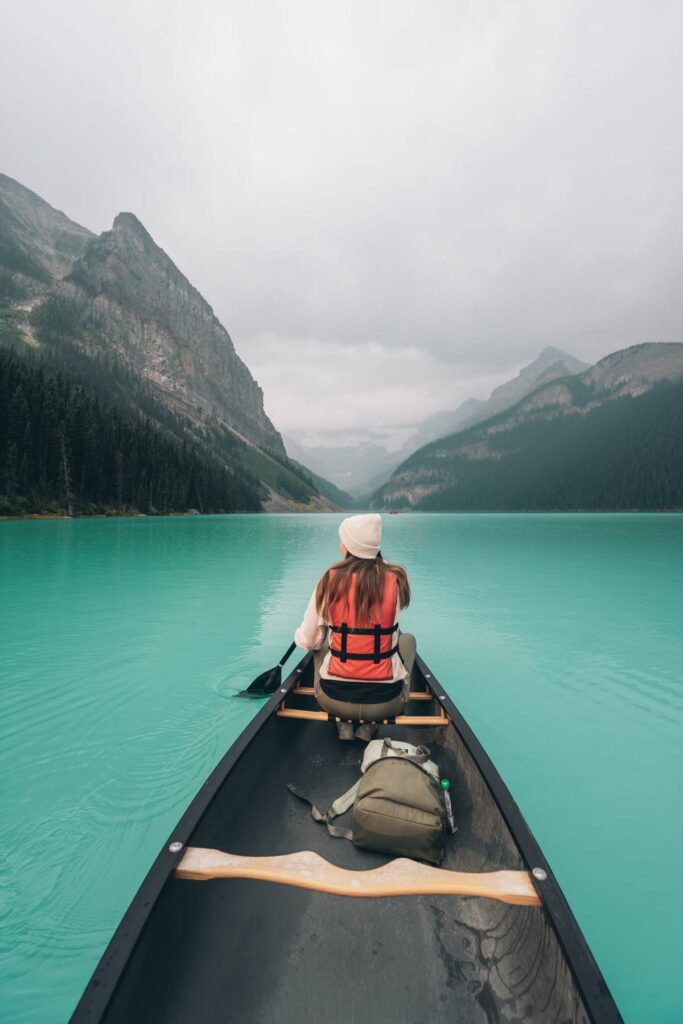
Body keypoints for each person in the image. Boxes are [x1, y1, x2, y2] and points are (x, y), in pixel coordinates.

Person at [294, 513, 416, 740]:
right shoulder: (397, 580)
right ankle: (368, 727)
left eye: (343, 540)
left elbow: (309, 641)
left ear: (350, 546)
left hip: (333, 700)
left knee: (320, 644)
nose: (340, 544)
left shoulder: (328, 581)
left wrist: (300, 637)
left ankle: (344, 725)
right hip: (387, 703)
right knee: (406, 640)